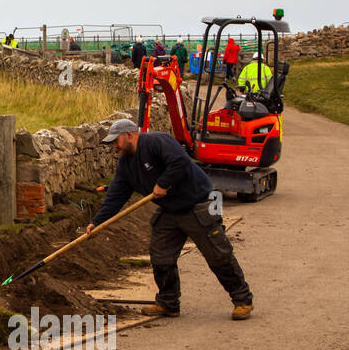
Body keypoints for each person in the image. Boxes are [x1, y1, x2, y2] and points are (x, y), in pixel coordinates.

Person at [88, 118, 253, 320]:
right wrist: (97, 222)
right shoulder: (126, 164)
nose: (114, 146)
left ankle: (242, 300)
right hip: (169, 210)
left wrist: (163, 183)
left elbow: (180, 161)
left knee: (218, 255)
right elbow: (116, 194)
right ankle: (168, 303)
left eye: (116, 141)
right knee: (161, 257)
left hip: (198, 204)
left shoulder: (156, 141)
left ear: (129, 135)